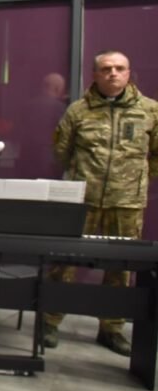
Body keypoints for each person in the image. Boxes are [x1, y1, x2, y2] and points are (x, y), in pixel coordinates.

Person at [42, 50, 158, 356]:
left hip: (126, 204)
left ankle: (112, 328)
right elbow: (62, 151)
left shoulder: (150, 110)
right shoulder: (78, 111)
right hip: (83, 201)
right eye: (106, 69)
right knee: (64, 262)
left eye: (119, 68)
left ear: (129, 73)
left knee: (120, 269)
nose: (113, 73)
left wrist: (135, 180)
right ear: (95, 74)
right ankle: (50, 321)